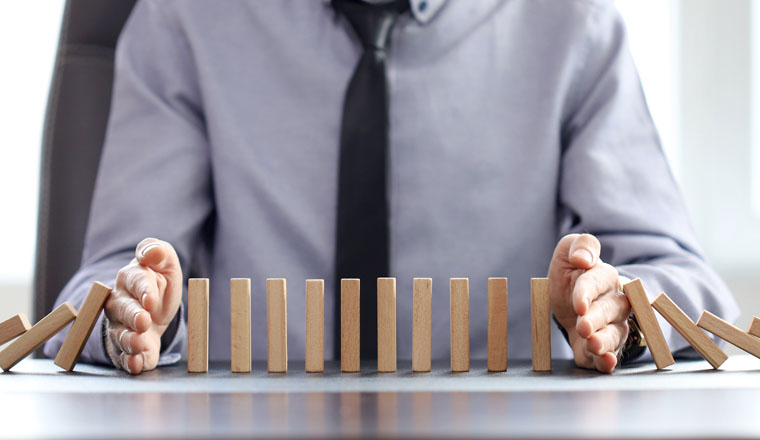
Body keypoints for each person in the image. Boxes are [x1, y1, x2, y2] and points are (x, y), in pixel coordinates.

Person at [43, 0, 738, 374]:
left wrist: (614, 311)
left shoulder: (575, 25)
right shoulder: (185, 20)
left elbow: (684, 281)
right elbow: (102, 283)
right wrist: (131, 315)